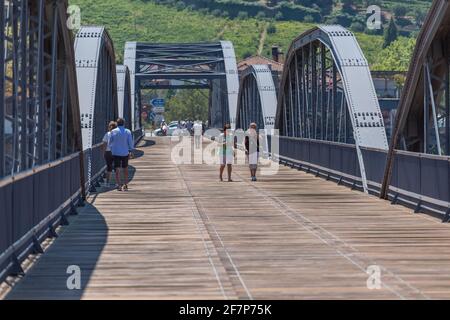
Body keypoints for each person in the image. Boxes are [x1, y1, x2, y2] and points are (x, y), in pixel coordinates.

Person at [109, 118, 134, 191]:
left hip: (116, 153)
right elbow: (130, 142)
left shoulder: (113, 132)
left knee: (117, 169)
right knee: (125, 169)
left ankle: (119, 185)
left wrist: (112, 148)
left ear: (117, 123)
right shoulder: (127, 131)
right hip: (125, 153)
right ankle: (125, 184)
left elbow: (110, 143)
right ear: (124, 123)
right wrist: (131, 150)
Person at [102, 121, 117, 187]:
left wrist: (103, 153)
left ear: (109, 127)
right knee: (117, 168)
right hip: (116, 152)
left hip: (108, 152)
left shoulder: (107, 134)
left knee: (109, 168)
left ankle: (107, 183)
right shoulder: (117, 134)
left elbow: (104, 144)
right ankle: (117, 183)